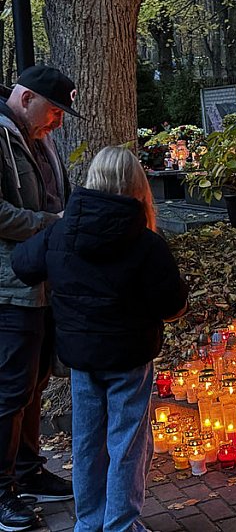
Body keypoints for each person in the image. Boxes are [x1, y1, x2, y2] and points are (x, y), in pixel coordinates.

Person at [11, 146, 188, 532]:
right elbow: (172, 304)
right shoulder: (146, 243)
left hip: (81, 358)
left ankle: (89, 522)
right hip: (129, 358)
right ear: (136, 185)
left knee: (88, 440)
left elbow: (22, 264)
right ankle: (120, 524)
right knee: (127, 441)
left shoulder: (61, 233)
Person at [0, 65, 79, 531]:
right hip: (11, 287)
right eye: (54, 110)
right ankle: (2, 489)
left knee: (35, 383)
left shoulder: (37, 139)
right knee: (10, 389)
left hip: (46, 281)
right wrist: (55, 225)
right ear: (26, 98)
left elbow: (55, 197)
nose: (58, 122)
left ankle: (28, 471)